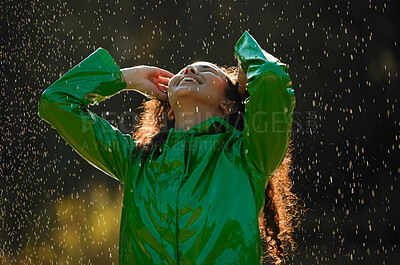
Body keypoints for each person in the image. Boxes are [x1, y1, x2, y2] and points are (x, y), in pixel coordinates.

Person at [38, 31, 299, 264]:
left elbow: (271, 77)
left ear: (229, 105)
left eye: (207, 70)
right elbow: (56, 102)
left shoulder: (249, 157)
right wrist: (124, 79)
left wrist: (245, 68)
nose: (189, 70)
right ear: (170, 110)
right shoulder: (135, 161)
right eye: (184, 70)